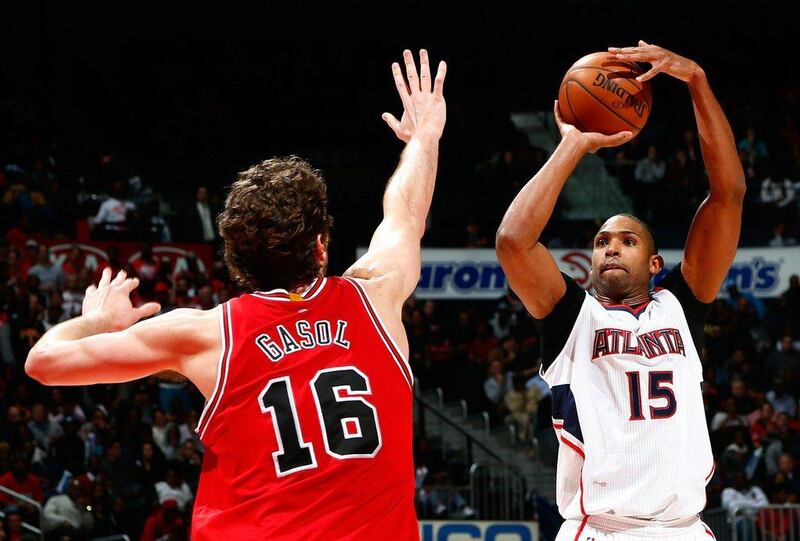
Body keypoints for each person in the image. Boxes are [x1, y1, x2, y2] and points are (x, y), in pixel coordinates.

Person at [25, 49, 447, 540]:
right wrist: (424, 138)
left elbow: (43, 362)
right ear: (320, 246)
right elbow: (405, 216)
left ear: (236, 259)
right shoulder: (376, 296)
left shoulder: (206, 335)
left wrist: (98, 320)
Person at [496, 41, 745, 540]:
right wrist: (572, 144)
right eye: (601, 241)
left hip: (684, 529)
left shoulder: (680, 305)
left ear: (655, 263)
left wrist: (697, 81)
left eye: (627, 241)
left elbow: (728, 193)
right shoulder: (573, 319)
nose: (611, 248)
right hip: (602, 529)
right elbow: (512, 242)